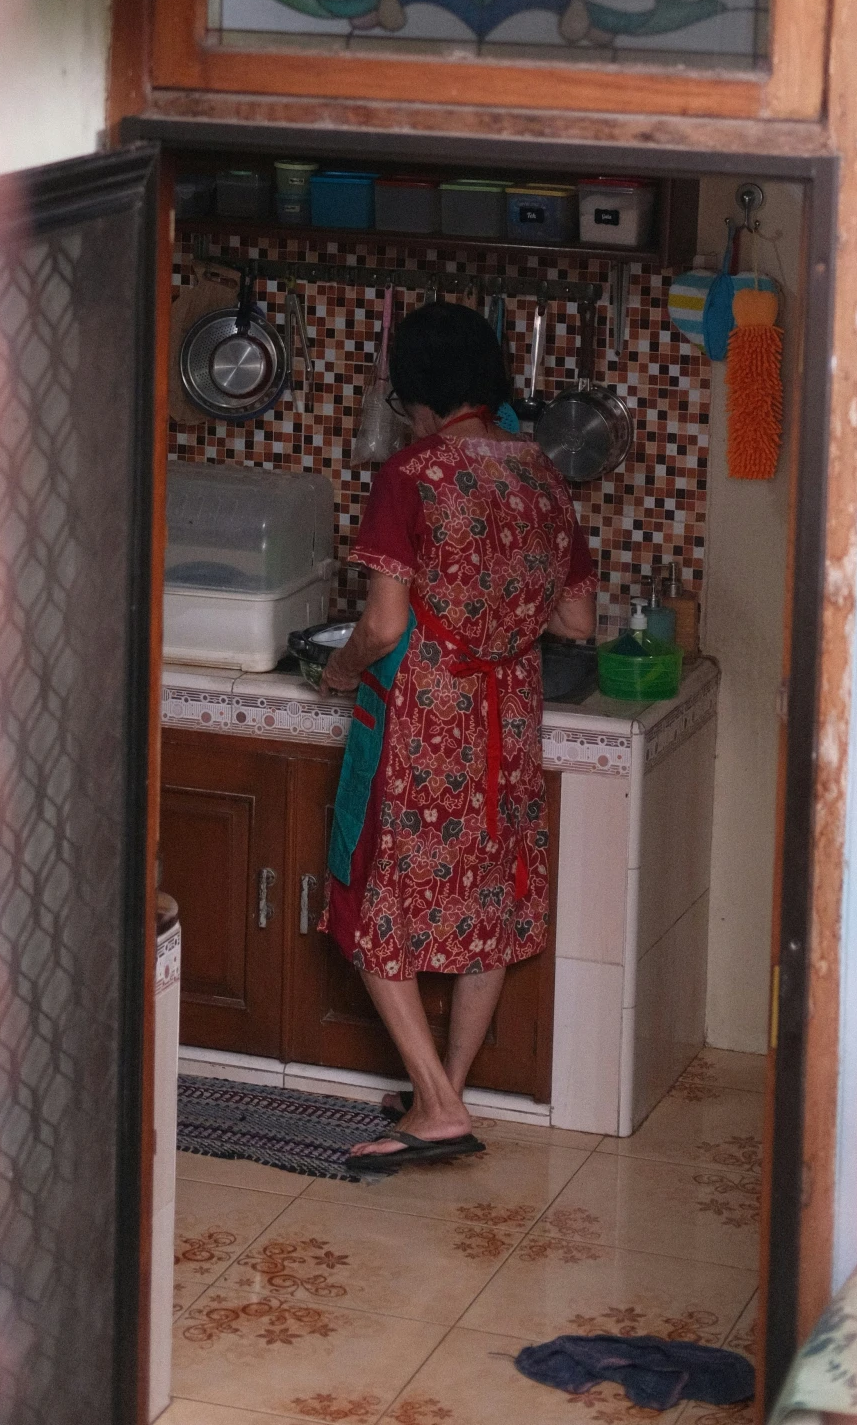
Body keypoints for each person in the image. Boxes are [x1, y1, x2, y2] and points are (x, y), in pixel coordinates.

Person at [320, 299, 597, 1169]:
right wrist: (501, 617)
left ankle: (435, 1103)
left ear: (423, 400)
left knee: (368, 894)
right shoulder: (544, 474)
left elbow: (382, 624)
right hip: (508, 717)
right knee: (491, 889)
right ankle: (453, 1089)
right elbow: (579, 619)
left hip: (424, 718)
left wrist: (337, 671)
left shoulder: (413, 474)